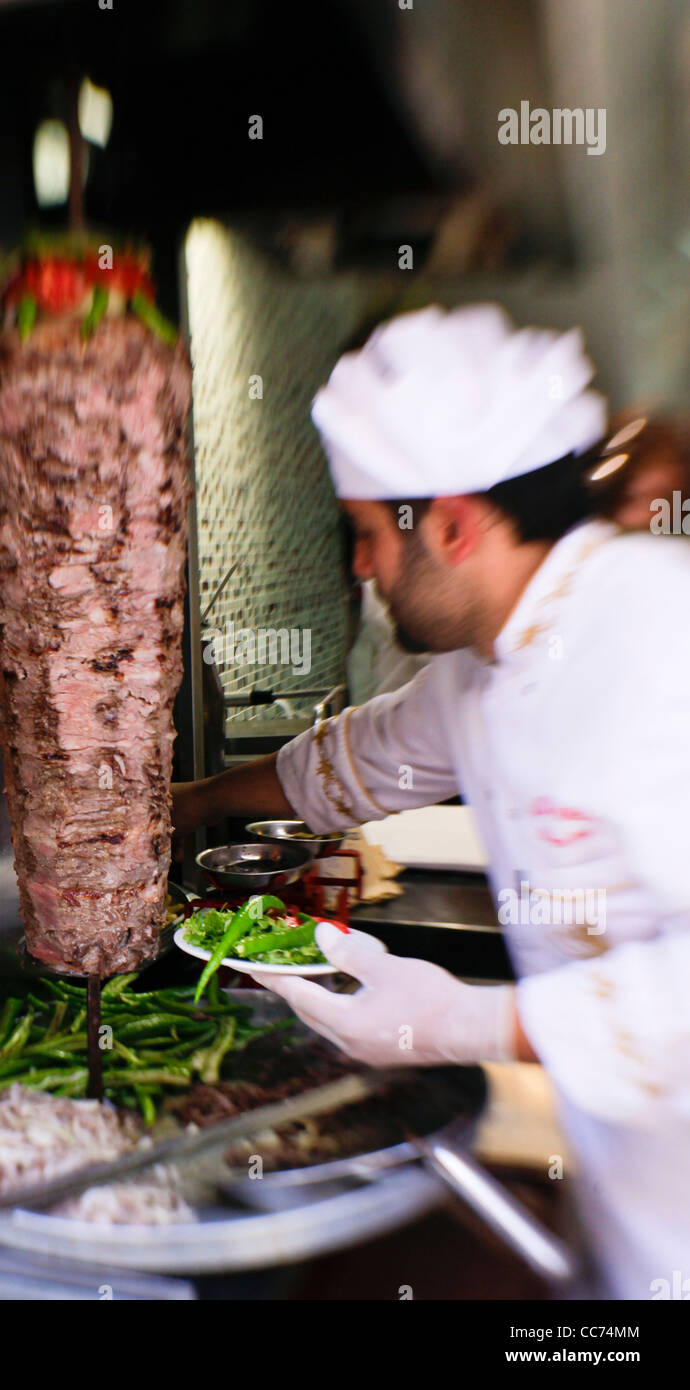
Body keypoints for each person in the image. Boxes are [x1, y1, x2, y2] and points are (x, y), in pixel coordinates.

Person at [173, 303, 690, 1299]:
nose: (359, 568)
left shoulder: (656, 639)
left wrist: (468, 1022)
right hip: (631, 1199)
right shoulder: (484, 661)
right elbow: (352, 761)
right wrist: (190, 803)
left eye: (365, 535)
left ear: (452, 525)